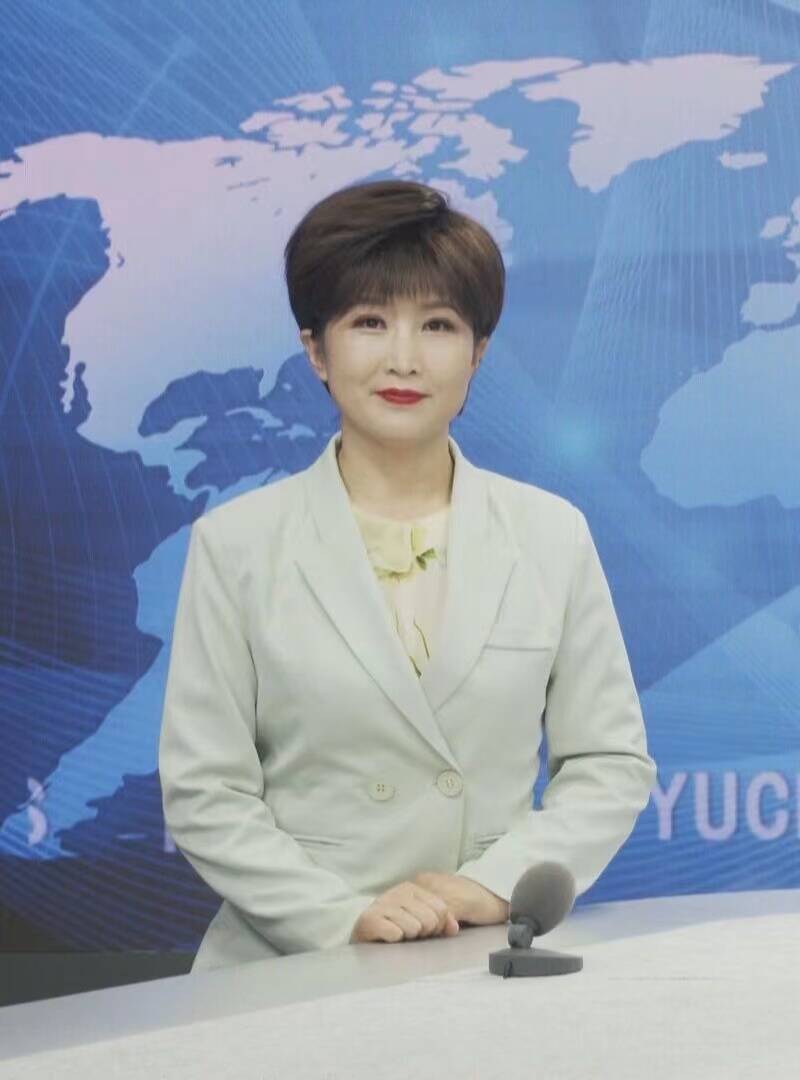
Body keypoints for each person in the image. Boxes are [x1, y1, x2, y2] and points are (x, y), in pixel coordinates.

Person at [158, 179, 658, 971]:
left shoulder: (550, 534)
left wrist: (493, 886)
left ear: (478, 351)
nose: (403, 358)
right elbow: (205, 791)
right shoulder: (237, 545)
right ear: (316, 349)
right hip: (287, 969)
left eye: (437, 325)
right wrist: (342, 916)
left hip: (481, 958)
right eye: (368, 322)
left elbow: (609, 762)